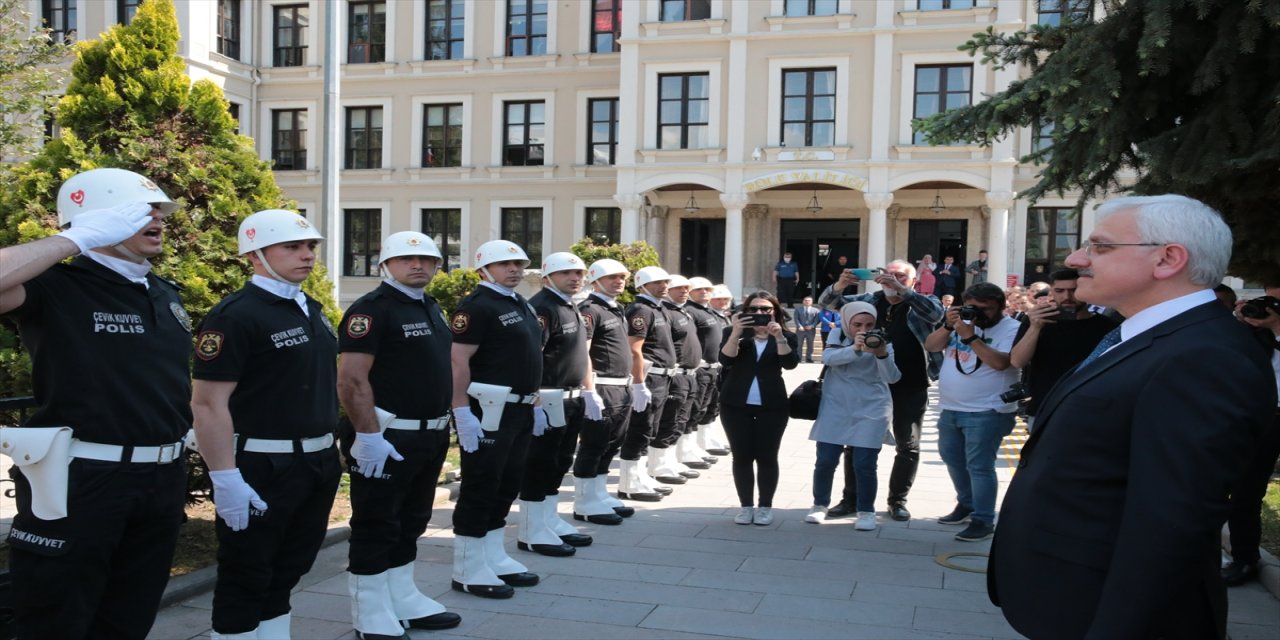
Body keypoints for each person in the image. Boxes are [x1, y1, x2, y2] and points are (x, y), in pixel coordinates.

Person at [988, 195, 1276, 639]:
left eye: (1100, 247)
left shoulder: (1205, 356)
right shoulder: (1143, 336)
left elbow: (1169, 526)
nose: (1076, 258)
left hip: (1109, 612)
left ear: (1167, 259)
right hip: (1070, 595)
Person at [0, 168, 188, 640]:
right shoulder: (57, 285)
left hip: (160, 480)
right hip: (84, 480)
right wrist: (75, 241)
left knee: (128, 619)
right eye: (142, 211)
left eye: (160, 210)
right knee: (56, 619)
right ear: (96, 221)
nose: (158, 218)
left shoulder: (163, 293)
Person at [191, 208, 342, 639]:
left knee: (290, 567)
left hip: (316, 462)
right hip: (263, 465)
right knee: (247, 573)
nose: (307, 256)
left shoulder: (309, 308)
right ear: (255, 255)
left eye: (310, 246)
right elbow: (206, 403)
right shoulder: (235, 316)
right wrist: (225, 478)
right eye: (292, 247)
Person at [336, 231, 461, 638]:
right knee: (377, 522)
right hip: (387, 436)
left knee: (412, 520)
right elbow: (352, 380)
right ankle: (369, 611)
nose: (418, 265)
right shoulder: (372, 310)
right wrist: (366, 436)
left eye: (427, 259)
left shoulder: (430, 306)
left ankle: (402, 596)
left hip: (429, 433)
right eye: (407, 259)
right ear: (385, 265)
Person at [448, 240, 543, 599]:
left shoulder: (518, 303)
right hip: (487, 411)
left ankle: (491, 555)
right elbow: (459, 361)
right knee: (482, 484)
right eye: (505, 264)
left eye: (519, 263)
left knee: (507, 483)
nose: (515, 269)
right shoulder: (477, 306)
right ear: (483, 270)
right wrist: (460, 410)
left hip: (518, 408)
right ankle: (467, 567)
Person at [818, 260, 943, 522]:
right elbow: (828, 304)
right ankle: (851, 499)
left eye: (901, 276)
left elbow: (936, 316)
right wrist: (840, 284)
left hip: (910, 383)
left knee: (907, 444)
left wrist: (902, 290)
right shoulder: (869, 299)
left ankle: (897, 501)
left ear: (913, 281)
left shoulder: (922, 300)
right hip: (869, 386)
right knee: (855, 443)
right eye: (889, 274)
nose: (892, 279)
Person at [523, 251, 618, 556]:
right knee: (540, 464)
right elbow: (532, 357)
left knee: (560, 461)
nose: (575, 278)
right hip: (550, 399)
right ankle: (531, 530)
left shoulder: (570, 305)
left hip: (572, 398)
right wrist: (534, 402)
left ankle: (549, 519)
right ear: (548, 276)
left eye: (578, 273)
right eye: (566, 273)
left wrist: (589, 391)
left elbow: (581, 355)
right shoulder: (543, 308)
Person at [923, 282, 1021, 543]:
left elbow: (1002, 363)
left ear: (1001, 307)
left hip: (988, 410)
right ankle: (966, 503)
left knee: (979, 466)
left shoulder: (1012, 328)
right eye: (972, 308)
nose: (978, 314)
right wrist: (948, 325)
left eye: (985, 309)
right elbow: (931, 346)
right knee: (952, 458)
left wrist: (969, 336)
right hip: (951, 407)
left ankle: (984, 519)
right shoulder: (961, 323)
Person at [806, 302, 901, 530]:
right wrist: (855, 349)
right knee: (826, 460)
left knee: (865, 463)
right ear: (847, 322)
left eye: (869, 324)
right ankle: (820, 505)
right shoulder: (837, 335)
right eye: (857, 324)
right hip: (836, 405)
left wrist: (881, 354)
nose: (863, 329)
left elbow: (892, 377)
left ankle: (866, 510)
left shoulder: (883, 340)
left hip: (872, 406)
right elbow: (828, 359)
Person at [718, 291, 799, 526]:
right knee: (741, 456)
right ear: (745, 312)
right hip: (735, 404)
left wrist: (778, 337)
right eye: (753, 309)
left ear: (775, 311)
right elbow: (726, 360)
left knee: (767, 456)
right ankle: (745, 506)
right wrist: (735, 333)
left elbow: (790, 364)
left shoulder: (785, 336)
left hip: (772, 405)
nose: (760, 314)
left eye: (765, 309)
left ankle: (764, 506)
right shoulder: (733, 333)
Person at [1009, 269, 1117, 431]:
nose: (1067, 297)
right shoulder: (1037, 321)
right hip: (1044, 407)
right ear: (1051, 291)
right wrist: (1035, 327)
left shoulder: (1107, 327)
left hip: (1092, 409)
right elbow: (1017, 361)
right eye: (1059, 291)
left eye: (1073, 290)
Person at [1223, 285, 1280, 586]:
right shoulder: (1250, 335)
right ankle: (1245, 558)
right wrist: (1242, 322)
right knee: (1245, 491)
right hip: (1260, 417)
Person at [578, 259, 644, 507]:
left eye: (622, 277)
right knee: (594, 444)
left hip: (620, 386)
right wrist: (589, 390)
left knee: (612, 443)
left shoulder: (615, 308)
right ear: (595, 281)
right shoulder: (590, 309)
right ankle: (585, 502)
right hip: (603, 386)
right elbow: (584, 351)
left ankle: (599, 494)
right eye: (612, 278)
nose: (619, 282)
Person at [618, 266, 678, 498]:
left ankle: (641, 476)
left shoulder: (656, 308)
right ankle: (629, 484)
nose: (663, 286)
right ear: (642, 285)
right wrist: (638, 384)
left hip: (661, 377)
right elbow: (635, 349)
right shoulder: (641, 310)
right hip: (649, 377)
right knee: (639, 428)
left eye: (665, 281)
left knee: (650, 429)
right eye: (657, 282)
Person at [678, 276, 724, 466]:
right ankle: (684, 450)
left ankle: (695, 445)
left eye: (707, 289)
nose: (704, 292)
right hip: (700, 369)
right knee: (692, 410)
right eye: (699, 289)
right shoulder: (690, 311)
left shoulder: (708, 311)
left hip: (713, 368)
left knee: (704, 408)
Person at [793, 296, 821, 363]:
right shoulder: (798, 309)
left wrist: (812, 326)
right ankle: (798, 358)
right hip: (800, 330)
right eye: (805, 300)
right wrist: (799, 326)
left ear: (811, 302)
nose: (807, 301)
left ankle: (808, 358)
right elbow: (796, 318)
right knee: (799, 344)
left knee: (810, 345)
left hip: (811, 330)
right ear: (803, 301)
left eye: (809, 300)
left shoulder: (816, 310)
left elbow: (817, 320)